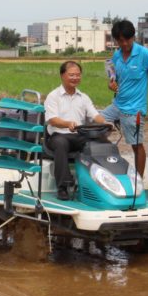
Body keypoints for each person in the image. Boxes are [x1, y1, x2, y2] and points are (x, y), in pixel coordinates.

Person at [101, 20, 148, 177]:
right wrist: (111, 85)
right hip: (117, 105)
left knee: (136, 145)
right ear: (116, 40)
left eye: (128, 39)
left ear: (133, 37)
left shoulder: (144, 54)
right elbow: (113, 78)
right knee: (94, 125)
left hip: (134, 110)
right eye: (120, 40)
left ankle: (138, 181)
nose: (125, 43)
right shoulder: (116, 55)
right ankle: (108, 158)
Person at [45, 61, 108, 200]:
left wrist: (106, 123)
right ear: (62, 75)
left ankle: (105, 183)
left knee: (104, 143)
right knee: (61, 144)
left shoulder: (84, 97)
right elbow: (52, 120)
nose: (75, 78)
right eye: (71, 75)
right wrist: (67, 124)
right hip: (58, 135)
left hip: (79, 135)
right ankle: (63, 187)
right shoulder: (53, 96)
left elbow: (94, 115)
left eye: (78, 75)